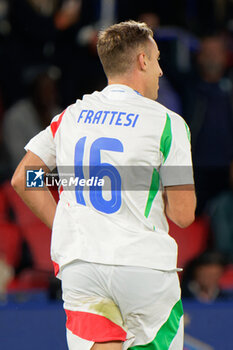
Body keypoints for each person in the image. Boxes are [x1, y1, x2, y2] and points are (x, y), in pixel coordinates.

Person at [11, 21, 196, 350]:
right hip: (143, 270)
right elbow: (183, 214)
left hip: (84, 265)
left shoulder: (70, 116)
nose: (161, 72)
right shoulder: (167, 122)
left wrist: (68, 213)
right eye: (157, 60)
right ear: (141, 60)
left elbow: (25, 178)